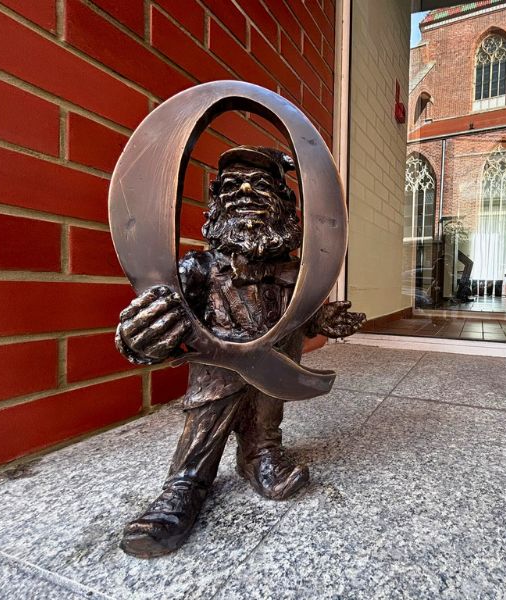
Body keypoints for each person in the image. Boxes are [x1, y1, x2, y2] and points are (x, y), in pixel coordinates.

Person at [115, 146, 365, 558]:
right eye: (232, 185)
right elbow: (160, 312)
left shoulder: (296, 274)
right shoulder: (198, 269)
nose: (245, 191)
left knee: (267, 411)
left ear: (284, 204)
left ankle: (259, 454)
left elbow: (301, 317)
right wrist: (139, 334)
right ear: (217, 203)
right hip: (218, 375)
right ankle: (185, 483)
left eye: (260, 185)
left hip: (274, 374)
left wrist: (322, 320)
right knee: (206, 424)